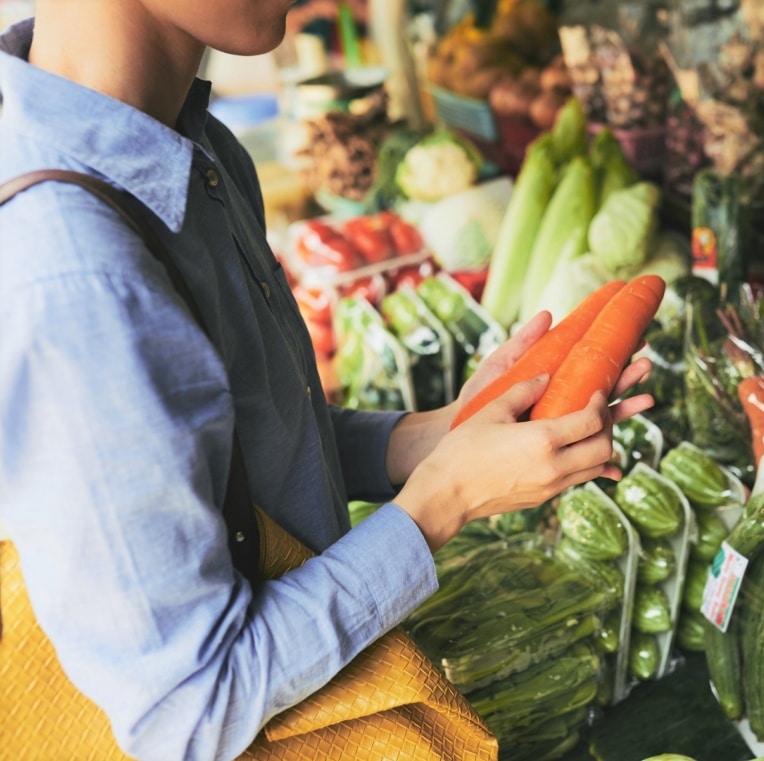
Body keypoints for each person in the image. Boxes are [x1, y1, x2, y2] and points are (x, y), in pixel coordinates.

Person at [0, 2, 652, 759]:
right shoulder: (75, 276)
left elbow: (244, 441)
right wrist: (447, 498)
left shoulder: (190, 146)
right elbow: (192, 709)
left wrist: (437, 434)